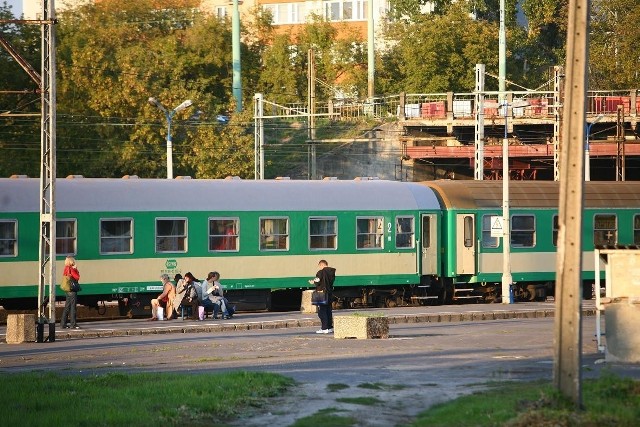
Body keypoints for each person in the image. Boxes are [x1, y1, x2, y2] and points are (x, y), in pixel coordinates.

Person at [309, 259, 336, 334]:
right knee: (328, 311)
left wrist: (312, 282)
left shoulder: (321, 272)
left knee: (322, 311)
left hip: (322, 294)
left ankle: (324, 328)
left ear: (322, 265)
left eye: (319, 266)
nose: (319, 268)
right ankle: (330, 327)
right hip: (329, 293)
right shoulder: (332, 272)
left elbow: (317, 281)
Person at [60, 256, 81, 329]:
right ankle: (73, 324)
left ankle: (63, 324)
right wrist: (76, 269)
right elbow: (77, 277)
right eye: (73, 261)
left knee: (67, 307)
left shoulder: (66, 268)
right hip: (72, 290)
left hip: (67, 290)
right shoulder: (71, 269)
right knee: (73, 307)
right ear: (71, 261)